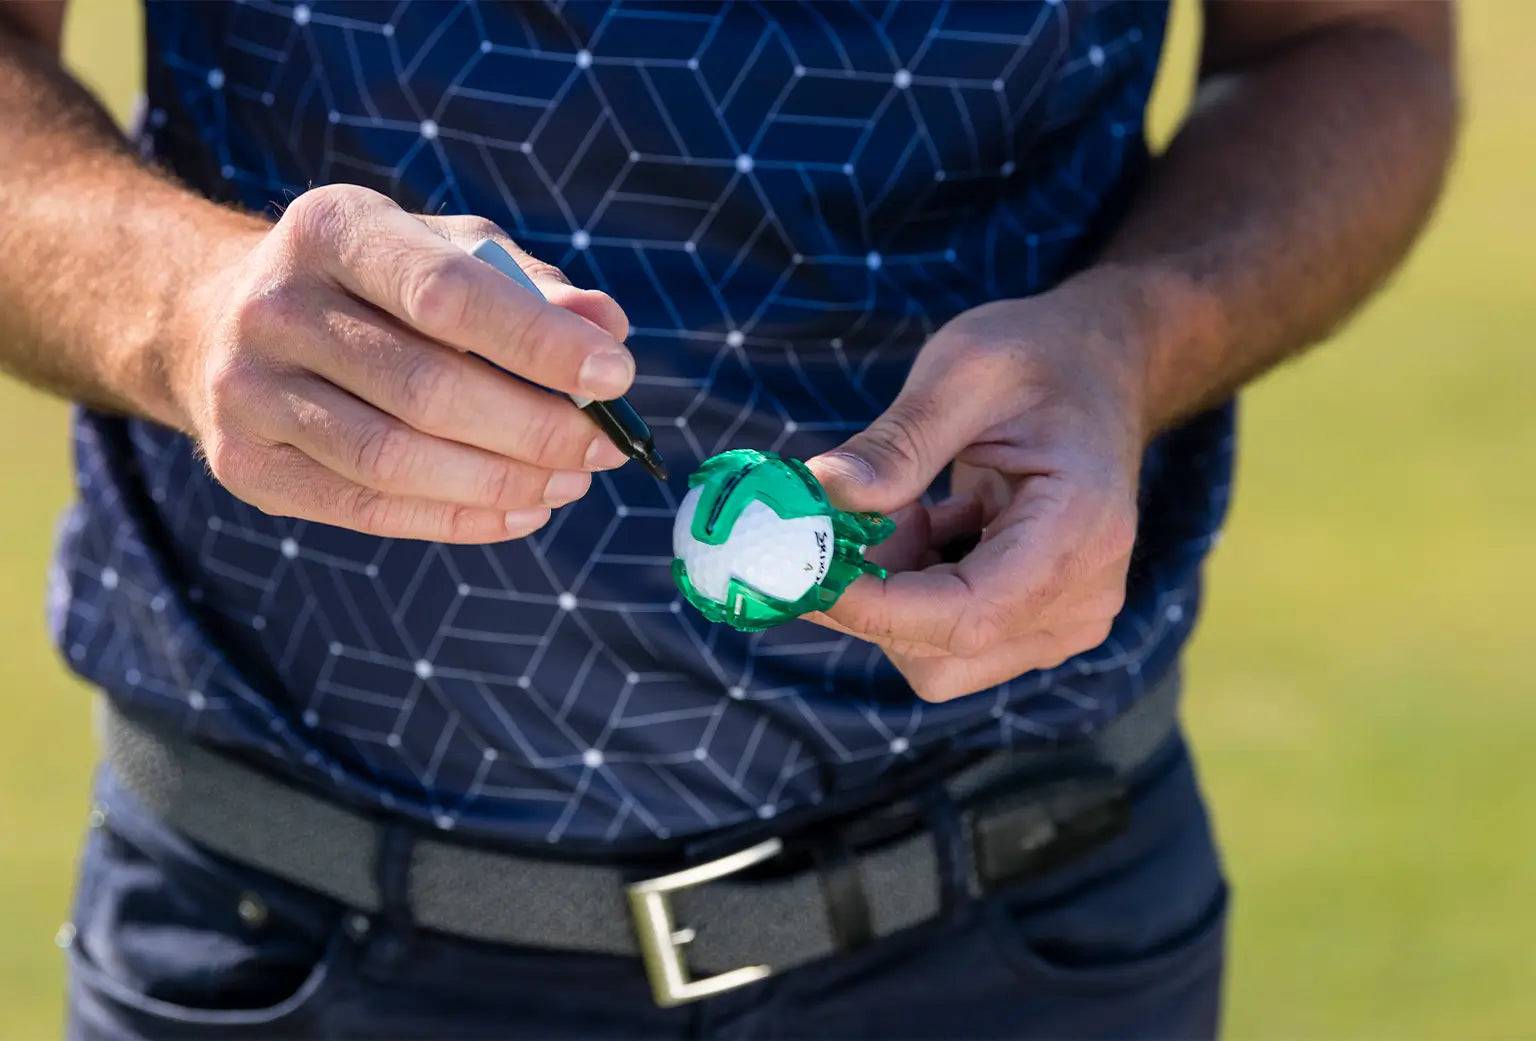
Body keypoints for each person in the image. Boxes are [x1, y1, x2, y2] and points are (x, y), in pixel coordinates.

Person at [0, 1, 1457, 1038]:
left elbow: (1358, 43)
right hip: (290, 927)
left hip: (1022, 915)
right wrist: (183, 306)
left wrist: (1134, 341)